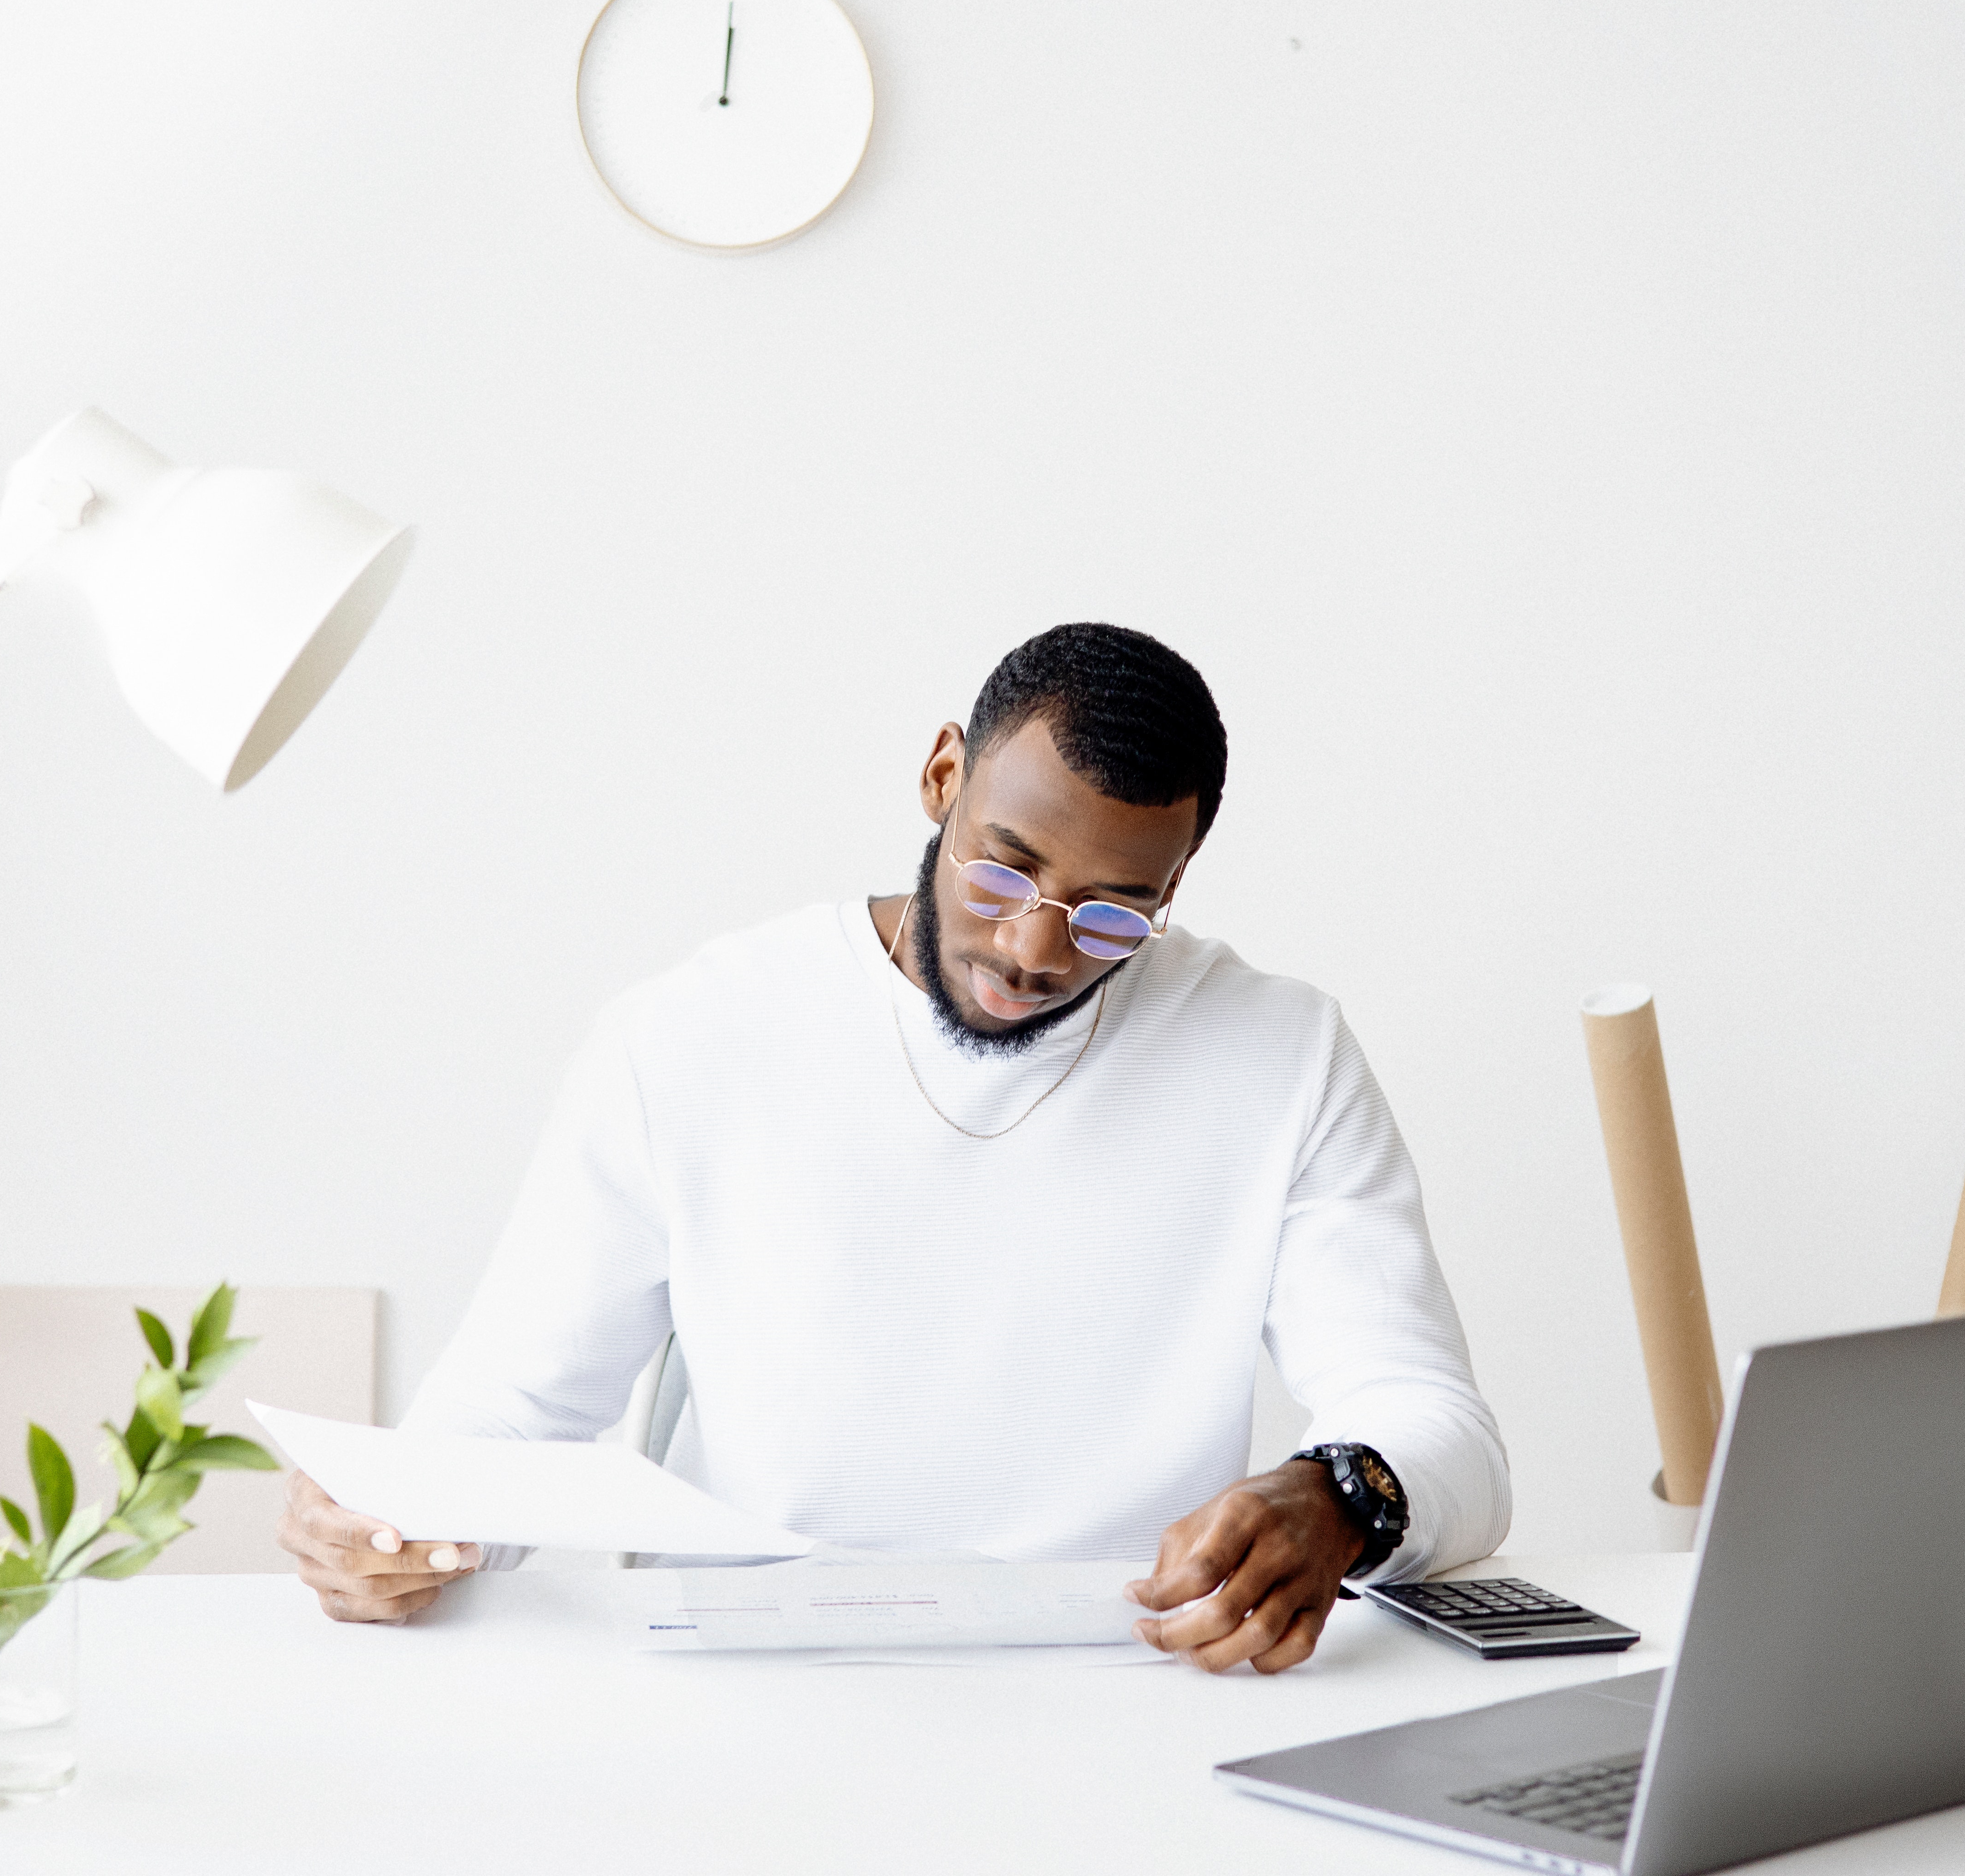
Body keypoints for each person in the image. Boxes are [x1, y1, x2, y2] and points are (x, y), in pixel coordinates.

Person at [280, 623, 1509, 1673]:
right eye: (1004, 866)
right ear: (940, 778)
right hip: (748, 1683)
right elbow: (515, 1408)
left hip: (1120, 1689)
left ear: (1175, 886)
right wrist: (393, 1524)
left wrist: (1342, 1498)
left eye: (1111, 912)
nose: (1034, 946)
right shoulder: (698, 1031)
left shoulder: (1278, 1055)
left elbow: (1439, 1427)